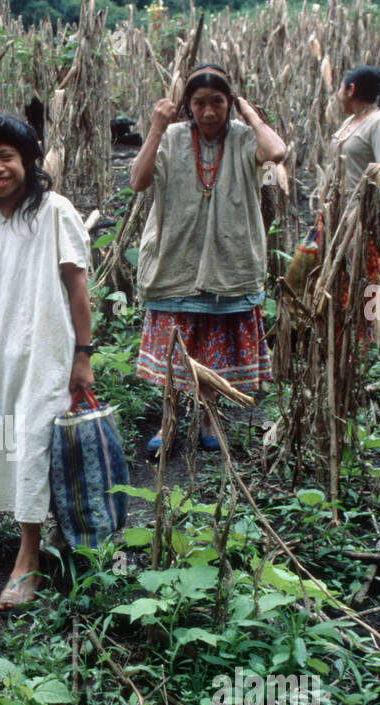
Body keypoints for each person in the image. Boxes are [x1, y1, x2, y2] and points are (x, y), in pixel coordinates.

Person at [0, 114, 94, 612]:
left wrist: (84, 354)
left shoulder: (54, 210)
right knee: (10, 439)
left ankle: (28, 560)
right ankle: (54, 531)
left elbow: (78, 287)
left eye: (6, 157)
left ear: (29, 162)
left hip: (48, 347)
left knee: (34, 441)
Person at [130, 64, 285, 454]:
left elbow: (276, 153)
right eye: (199, 103)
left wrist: (249, 114)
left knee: (212, 353)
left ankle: (208, 419)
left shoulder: (245, 137)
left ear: (229, 103)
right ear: (188, 105)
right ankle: (168, 424)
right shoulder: (171, 137)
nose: (210, 112)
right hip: (175, 260)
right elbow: (137, 180)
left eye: (218, 102)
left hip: (228, 262)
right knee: (173, 355)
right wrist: (155, 128)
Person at [288, 66, 380, 319]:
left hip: (356, 220)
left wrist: (358, 219)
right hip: (333, 215)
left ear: (350, 89)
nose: (338, 94)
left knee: (350, 280)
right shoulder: (350, 122)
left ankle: (350, 344)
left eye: (340, 88)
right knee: (318, 275)